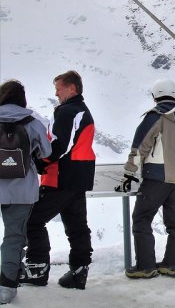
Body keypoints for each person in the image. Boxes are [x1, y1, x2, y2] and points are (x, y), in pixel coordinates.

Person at [20, 70, 95, 290]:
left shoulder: (69, 111)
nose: (56, 92)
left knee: (32, 219)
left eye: (59, 88)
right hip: (77, 177)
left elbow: (60, 146)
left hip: (62, 177)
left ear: (72, 88)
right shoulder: (79, 110)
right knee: (76, 225)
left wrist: (39, 163)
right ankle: (79, 271)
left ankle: (37, 269)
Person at [121, 78, 175, 279]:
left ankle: (146, 266)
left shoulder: (156, 116)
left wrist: (129, 171)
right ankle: (173, 264)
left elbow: (140, 145)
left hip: (156, 176)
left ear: (155, 95)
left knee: (141, 219)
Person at [0, 80, 52, 304]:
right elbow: (46, 152)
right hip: (22, 191)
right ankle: (6, 286)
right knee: (14, 237)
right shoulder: (32, 122)